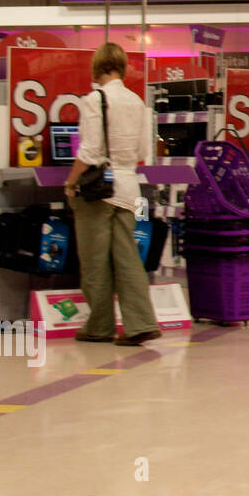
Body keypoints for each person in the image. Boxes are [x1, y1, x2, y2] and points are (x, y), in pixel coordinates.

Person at [65, 42, 160, 346]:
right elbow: (145, 151)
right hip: (129, 186)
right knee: (128, 258)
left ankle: (100, 326)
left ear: (97, 68)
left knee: (94, 261)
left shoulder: (95, 100)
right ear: (121, 67)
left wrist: (71, 180)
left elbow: (90, 150)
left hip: (99, 190)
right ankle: (140, 323)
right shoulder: (137, 102)